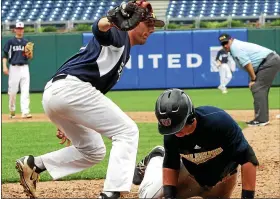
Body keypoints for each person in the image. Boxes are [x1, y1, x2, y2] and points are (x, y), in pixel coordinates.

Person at [15, 1, 164, 199]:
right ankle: (112, 193)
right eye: (148, 23)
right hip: (71, 89)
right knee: (127, 131)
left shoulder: (123, 48)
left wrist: (70, 117)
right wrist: (112, 19)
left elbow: (95, 88)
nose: (152, 29)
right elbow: (99, 28)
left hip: (59, 93)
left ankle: (35, 164)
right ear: (133, 22)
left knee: (93, 150)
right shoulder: (119, 34)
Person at [133, 88, 259, 199]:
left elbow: (247, 158)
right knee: (148, 196)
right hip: (190, 177)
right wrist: (169, 196)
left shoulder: (220, 123)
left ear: (191, 117)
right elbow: (171, 164)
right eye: (170, 129)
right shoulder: (171, 134)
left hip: (222, 180)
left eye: (178, 127)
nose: (174, 133)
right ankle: (156, 157)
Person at [218, 33, 280, 126]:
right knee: (258, 88)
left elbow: (247, 64)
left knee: (258, 87)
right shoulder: (235, 46)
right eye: (223, 44)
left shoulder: (235, 47)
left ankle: (261, 119)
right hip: (268, 62)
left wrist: (253, 79)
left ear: (231, 40)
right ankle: (262, 118)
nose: (225, 45)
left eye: (226, 42)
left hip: (268, 62)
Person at [2, 21, 33, 119]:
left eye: (21, 28)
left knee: (25, 90)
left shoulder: (26, 42)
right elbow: (5, 55)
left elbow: (29, 57)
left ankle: (25, 111)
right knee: (13, 91)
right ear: (15, 30)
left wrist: (30, 54)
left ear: (23, 30)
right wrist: (4, 66)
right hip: (13, 67)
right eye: (18, 28)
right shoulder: (10, 42)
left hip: (24, 67)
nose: (20, 30)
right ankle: (12, 110)